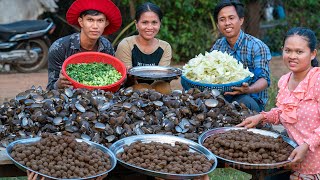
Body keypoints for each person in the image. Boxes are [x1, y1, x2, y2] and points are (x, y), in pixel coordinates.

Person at [237, 27, 320, 179]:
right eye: (288, 50)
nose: (292, 56)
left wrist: (307, 145)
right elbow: (283, 111)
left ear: (313, 53)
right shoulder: (284, 80)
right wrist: (261, 117)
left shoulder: (317, 80)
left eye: (299, 52)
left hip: (315, 164)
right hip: (289, 157)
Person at [210, 0, 272, 112]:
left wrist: (248, 89)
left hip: (250, 99)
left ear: (241, 20)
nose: (227, 23)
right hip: (223, 96)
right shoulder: (217, 46)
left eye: (231, 18)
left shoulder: (257, 46)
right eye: (222, 19)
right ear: (218, 25)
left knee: (241, 102)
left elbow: (264, 80)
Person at [46, 0, 122, 90]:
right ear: (81, 22)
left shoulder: (106, 46)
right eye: (90, 20)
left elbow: (111, 79)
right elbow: (50, 89)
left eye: (100, 21)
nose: (95, 26)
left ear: (106, 23)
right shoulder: (60, 47)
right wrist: (59, 84)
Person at [115, 2, 172, 89]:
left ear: (160, 23)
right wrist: (130, 77)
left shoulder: (165, 47)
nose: (150, 27)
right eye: (145, 22)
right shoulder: (126, 44)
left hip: (156, 91)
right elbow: (123, 79)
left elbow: (160, 81)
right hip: (129, 91)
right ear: (136, 24)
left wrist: (168, 76)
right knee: (141, 89)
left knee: (165, 87)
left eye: (154, 22)